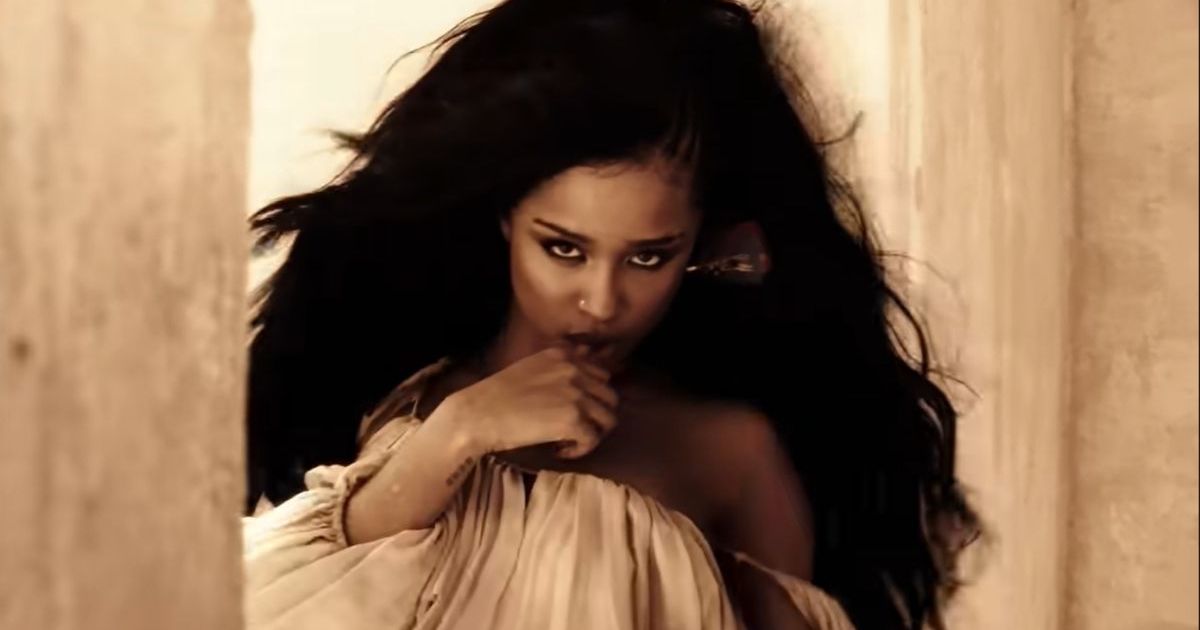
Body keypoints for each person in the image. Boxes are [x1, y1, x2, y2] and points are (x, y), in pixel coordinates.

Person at [241, 0, 981, 628]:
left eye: (649, 257)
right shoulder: (410, 403)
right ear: (504, 215)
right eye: (563, 249)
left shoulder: (728, 453)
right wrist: (462, 429)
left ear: (703, 245)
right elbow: (289, 595)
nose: (601, 301)